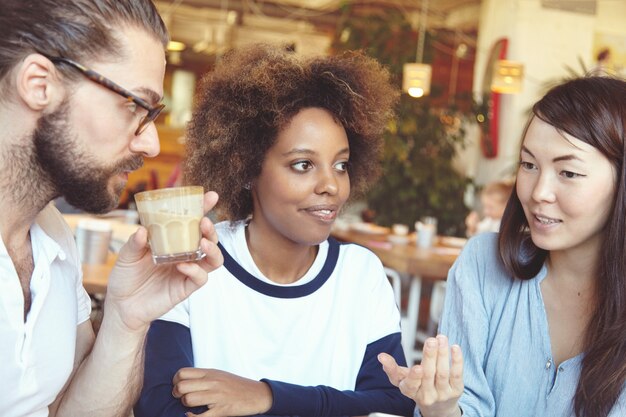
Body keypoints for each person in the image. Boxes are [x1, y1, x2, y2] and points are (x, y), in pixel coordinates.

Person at [134, 44, 415, 417]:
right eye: (303, 164)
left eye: (341, 165)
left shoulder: (360, 275)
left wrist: (266, 396)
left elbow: (393, 405)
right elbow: (160, 408)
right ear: (247, 167)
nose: (331, 185)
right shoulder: (194, 261)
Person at [0, 1, 223, 416]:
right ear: (39, 85)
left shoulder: (52, 236)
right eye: (135, 105)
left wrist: (127, 318)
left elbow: (66, 410)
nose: (151, 144)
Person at [379, 75, 626, 417]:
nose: (538, 192)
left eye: (568, 173)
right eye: (528, 165)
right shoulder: (483, 264)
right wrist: (443, 408)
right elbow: (466, 405)